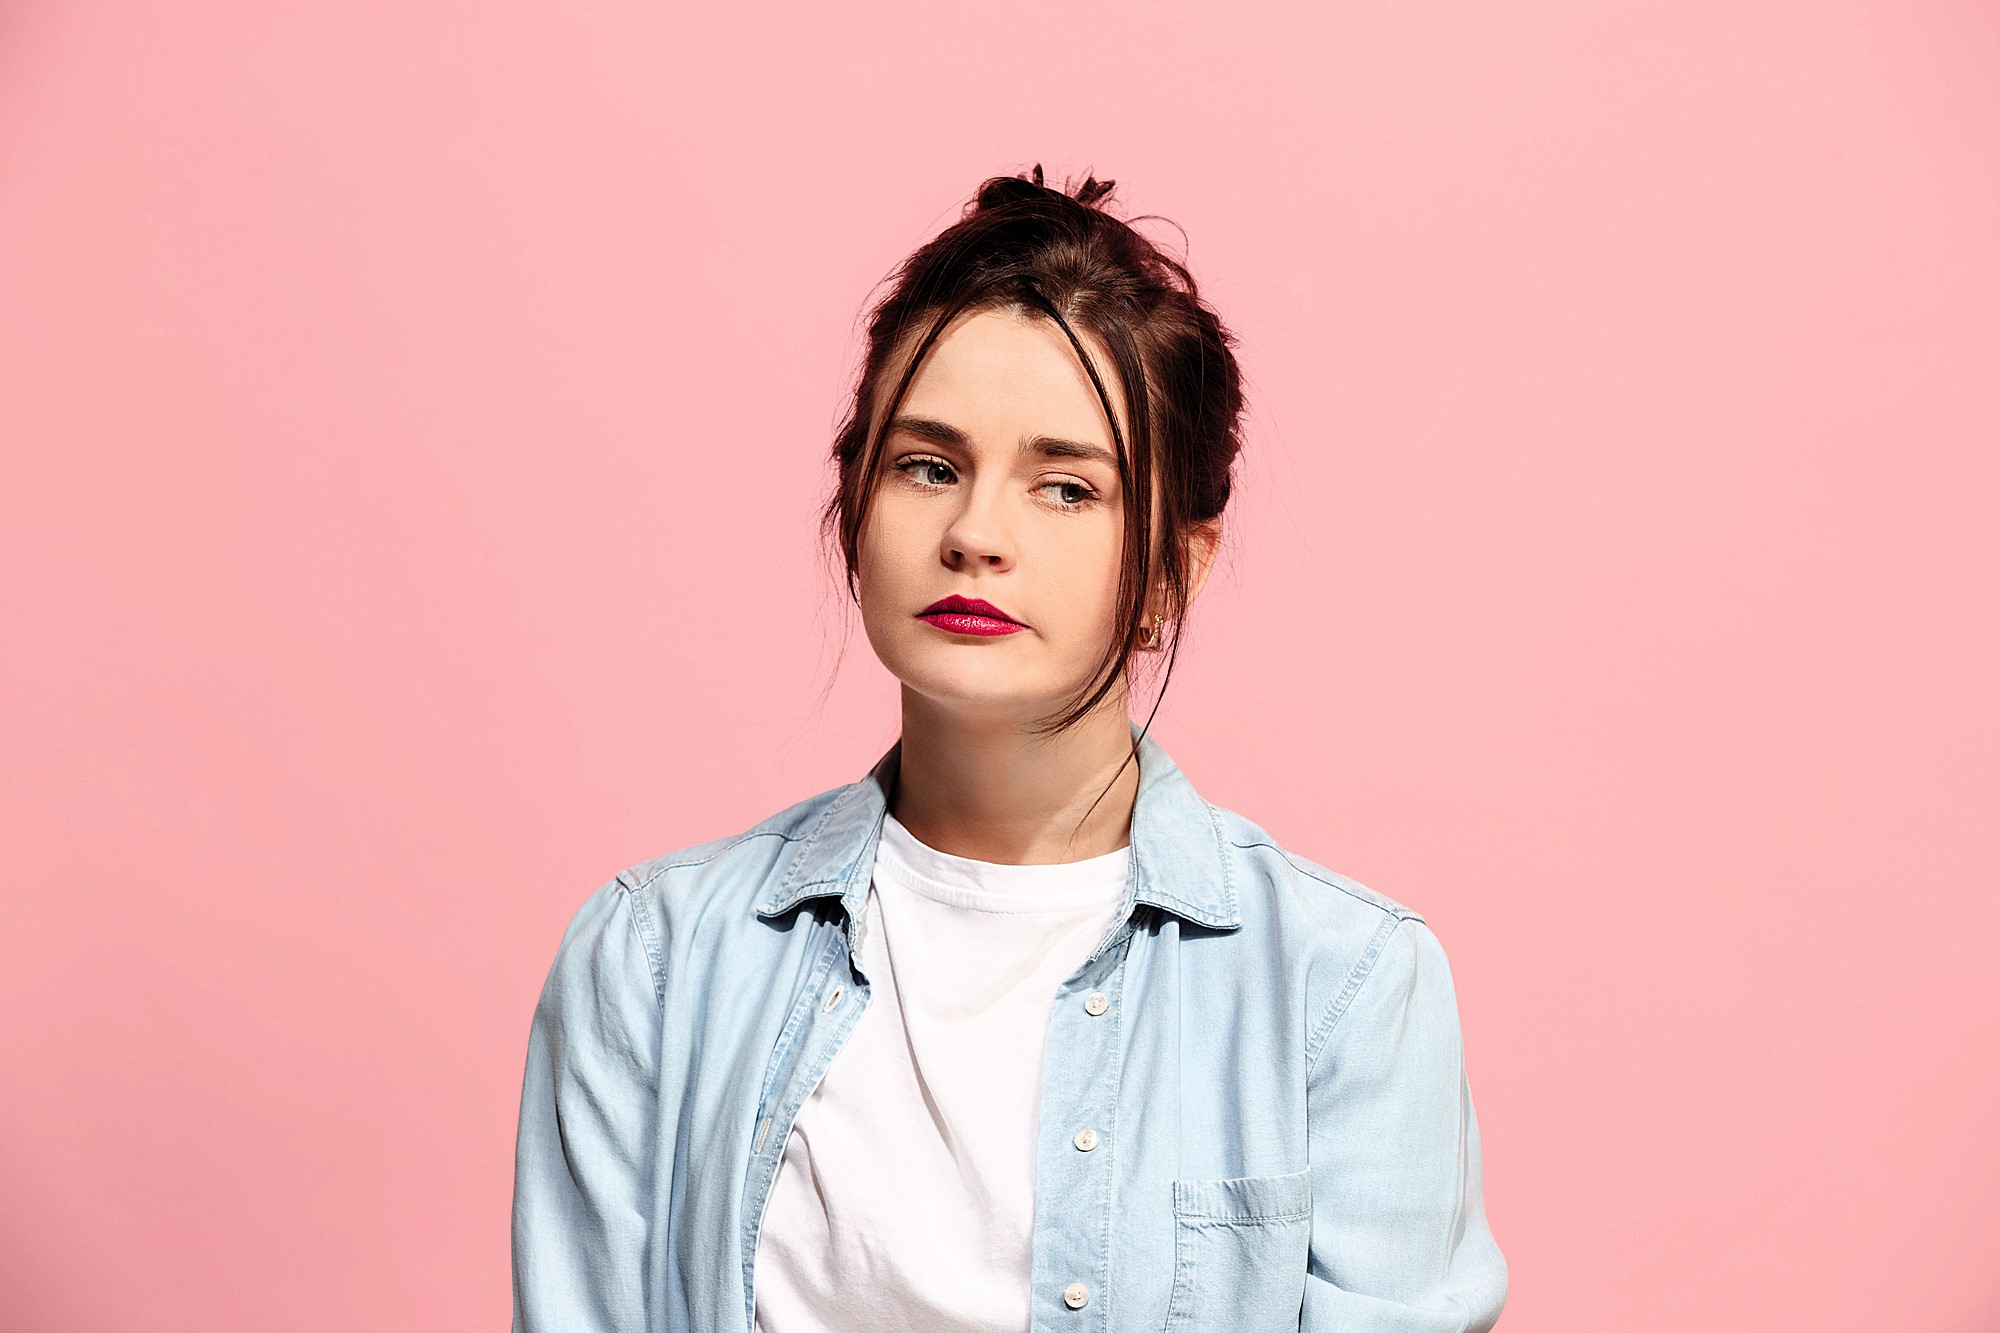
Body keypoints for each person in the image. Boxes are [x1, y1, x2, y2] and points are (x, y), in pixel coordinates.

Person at [510, 165, 1508, 1333]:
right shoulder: (655, 960)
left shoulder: (1339, 986)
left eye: (1065, 488)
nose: (976, 533)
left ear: (1170, 569)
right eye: (926, 466)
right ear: (853, 499)